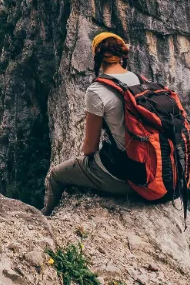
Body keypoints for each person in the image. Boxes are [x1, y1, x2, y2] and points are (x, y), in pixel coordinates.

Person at [41, 32, 139, 216]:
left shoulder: (96, 91)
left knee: (56, 175)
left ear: (98, 57)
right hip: (146, 169)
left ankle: (45, 217)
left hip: (122, 177)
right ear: (121, 55)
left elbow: (89, 148)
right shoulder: (136, 79)